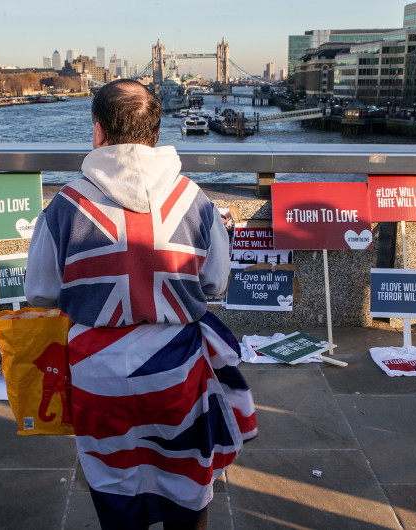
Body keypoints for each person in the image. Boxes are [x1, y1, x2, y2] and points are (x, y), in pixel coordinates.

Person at [24, 79, 257, 530]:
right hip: (175, 370)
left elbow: (40, 292)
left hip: (96, 371)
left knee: (112, 481)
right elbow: (214, 284)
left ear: (98, 133)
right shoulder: (195, 199)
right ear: (155, 134)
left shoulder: (65, 204)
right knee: (187, 477)